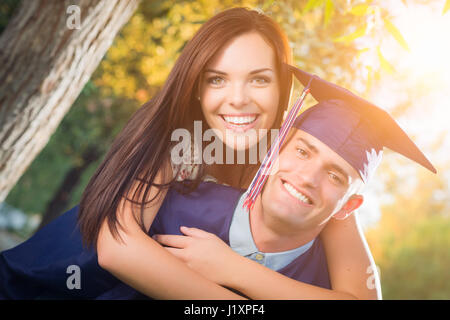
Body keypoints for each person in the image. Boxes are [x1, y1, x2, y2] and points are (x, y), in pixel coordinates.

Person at [0, 8, 387, 299]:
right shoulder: (176, 135)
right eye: (217, 78)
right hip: (50, 281)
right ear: (197, 87)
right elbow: (118, 249)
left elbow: (360, 294)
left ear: (282, 91)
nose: (238, 100)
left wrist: (233, 269)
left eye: (259, 80)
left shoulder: (304, 160)